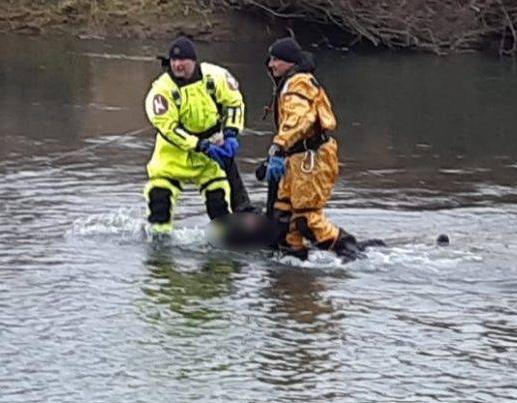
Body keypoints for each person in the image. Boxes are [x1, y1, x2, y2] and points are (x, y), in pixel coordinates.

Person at [262, 37, 361, 259]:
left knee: (305, 219)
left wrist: (278, 146)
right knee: (283, 215)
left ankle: (349, 251)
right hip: (298, 158)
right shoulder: (291, 82)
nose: (271, 64)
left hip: (312, 159)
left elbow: (300, 119)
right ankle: (294, 266)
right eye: (271, 59)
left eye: (276, 60)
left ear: (289, 61)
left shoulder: (298, 83)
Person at [143, 37, 245, 235]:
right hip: (171, 157)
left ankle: (225, 244)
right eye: (174, 60)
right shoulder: (161, 90)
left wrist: (232, 132)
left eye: (183, 60)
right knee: (159, 205)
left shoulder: (215, 77)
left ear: (194, 61)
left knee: (219, 205)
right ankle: (159, 246)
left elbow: (235, 103)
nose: (177, 65)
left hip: (210, 156)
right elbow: (168, 128)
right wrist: (200, 145)